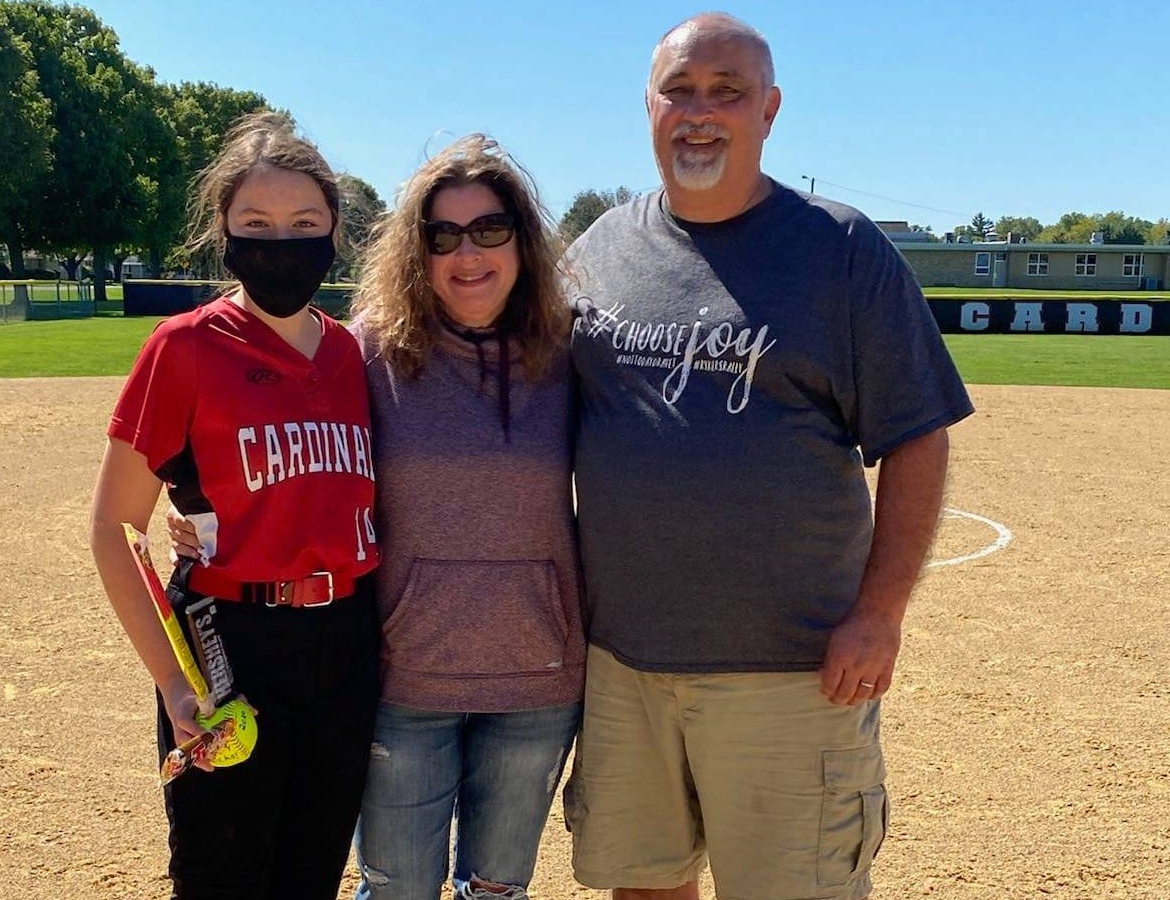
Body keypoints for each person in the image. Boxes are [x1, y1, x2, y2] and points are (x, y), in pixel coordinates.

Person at [562, 13, 974, 900]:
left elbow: (918, 436)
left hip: (791, 672)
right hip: (624, 664)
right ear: (648, 105)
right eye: (680, 90)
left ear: (771, 110)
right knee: (644, 887)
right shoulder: (599, 250)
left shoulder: (842, 249)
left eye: (728, 92)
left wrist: (882, 613)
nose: (700, 113)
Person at [170, 134, 586, 900]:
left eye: (490, 229)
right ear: (415, 250)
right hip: (402, 674)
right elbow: (276, 439)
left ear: (523, 241)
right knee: (394, 890)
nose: (468, 254)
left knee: (498, 891)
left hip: (539, 675)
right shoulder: (364, 351)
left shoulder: (570, 354)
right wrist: (206, 514)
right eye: (442, 235)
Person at [89, 111, 381, 900]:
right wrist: (174, 685)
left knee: (311, 870)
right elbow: (115, 530)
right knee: (222, 874)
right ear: (223, 228)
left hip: (349, 641)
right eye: (256, 222)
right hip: (230, 644)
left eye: (304, 222)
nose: (280, 241)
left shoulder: (359, 353)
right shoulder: (183, 347)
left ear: (334, 232)